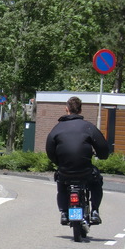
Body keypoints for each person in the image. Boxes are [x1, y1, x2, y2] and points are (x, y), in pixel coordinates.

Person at [45, 96, 110, 225]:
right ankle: (95, 211)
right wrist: (102, 156)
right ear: (80, 111)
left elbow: (49, 150)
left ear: (66, 109)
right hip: (85, 171)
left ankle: (64, 213)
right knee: (96, 182)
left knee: (62, 184)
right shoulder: (88, 127)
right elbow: (102, 146)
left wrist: (59, 163)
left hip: (65, 171)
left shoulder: (57, 128)